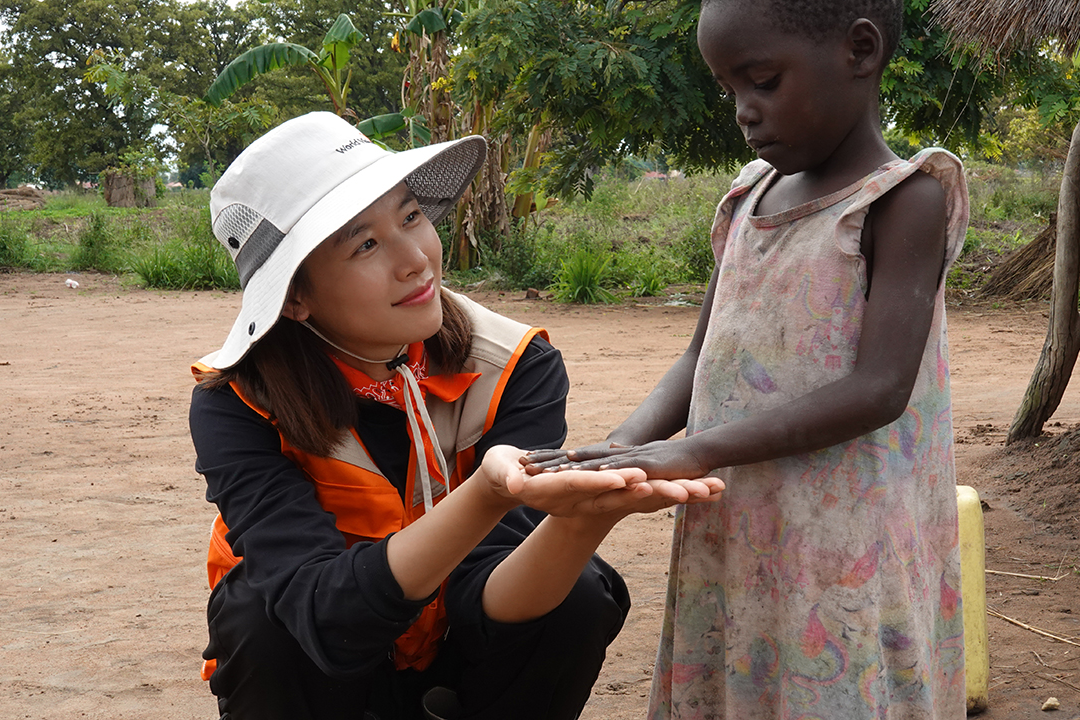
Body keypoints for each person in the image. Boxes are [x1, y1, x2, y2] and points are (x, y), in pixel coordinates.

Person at [188, 111, 723, 720]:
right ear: (295, 297)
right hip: (323, 667)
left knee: (577, 595)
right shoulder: (237, 402)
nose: (416, 259)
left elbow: (484, 595)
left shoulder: (516, 365)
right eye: (365, 244)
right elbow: (324, 617)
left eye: (411, 216)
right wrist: (485, 494)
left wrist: (581, 524)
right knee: (261, 617)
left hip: (455, 650)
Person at [523, 0, 969, 717]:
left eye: (763, 82)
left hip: (844, 546)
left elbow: (881, 388)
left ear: (860, 51)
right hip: (736, 524)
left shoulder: (901, 199)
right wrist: (625, 448)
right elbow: (700, 354)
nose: (744, 111)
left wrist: (696, 450)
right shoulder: (747, 196)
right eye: (730, 89)